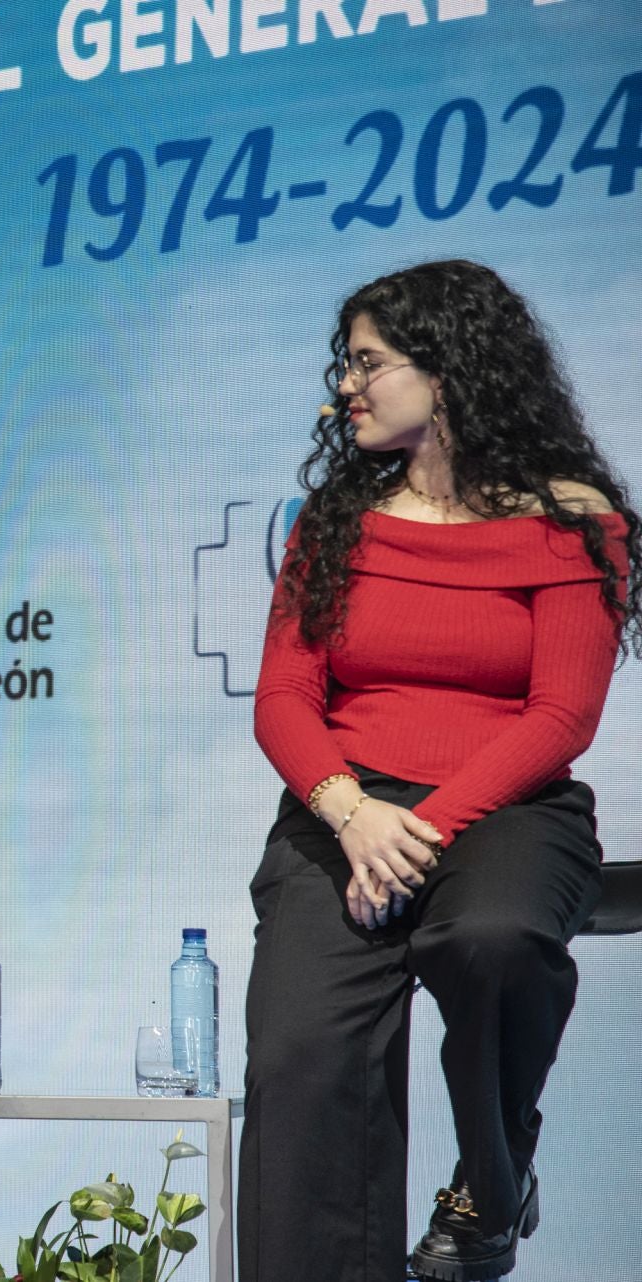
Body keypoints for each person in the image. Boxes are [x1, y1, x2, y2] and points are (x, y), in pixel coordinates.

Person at [240, 260, 638, 1282]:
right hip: (344, 811)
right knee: (300, 1060)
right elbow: (284, 697)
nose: (345, 386)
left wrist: (417, 828)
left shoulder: (574, 521)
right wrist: (353, 814)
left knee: (493, 936)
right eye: (345, 365)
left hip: (507, 805)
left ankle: (490, 1184)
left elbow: (561, 714)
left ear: (448, 369)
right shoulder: (334, 522)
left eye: (367, 361)